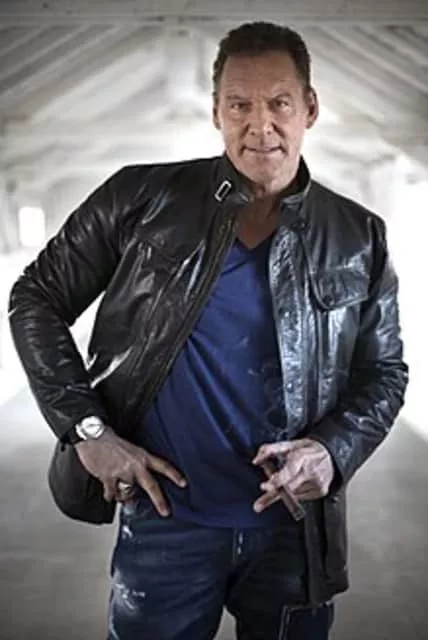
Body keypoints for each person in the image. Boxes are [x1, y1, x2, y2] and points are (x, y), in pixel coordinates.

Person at [8, 21, 408, 640]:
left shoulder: (359, 235)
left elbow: (383, 373)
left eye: (279, 103)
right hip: (166, 520)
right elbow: (36, 296)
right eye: (239, 105)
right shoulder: (140, 198)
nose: (260, 125)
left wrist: (332, 451)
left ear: (309, 108)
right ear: (216, 112)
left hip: (294, 529)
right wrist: (87, 430)